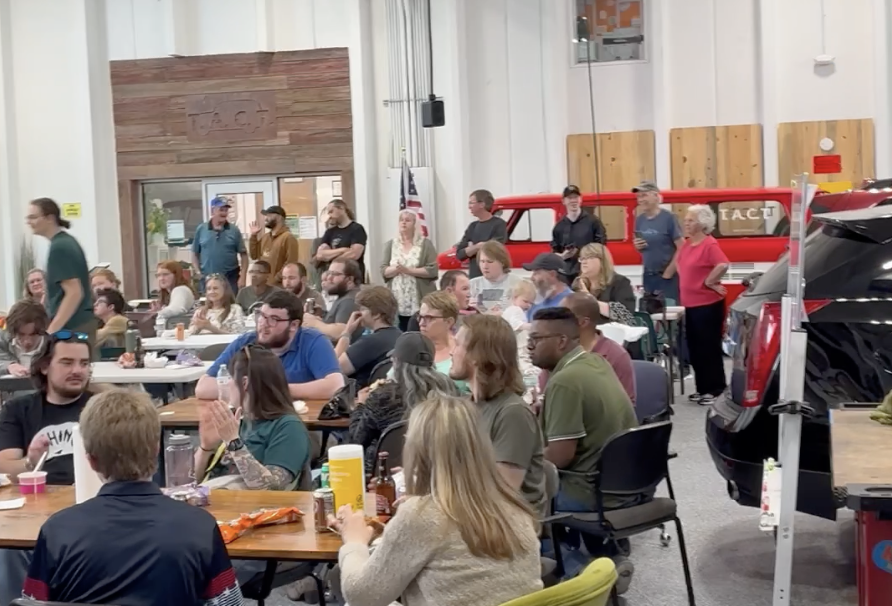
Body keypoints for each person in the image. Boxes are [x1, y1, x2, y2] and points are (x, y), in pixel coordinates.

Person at [22, 390, 243, 605]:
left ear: (91, 461)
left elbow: (32, 602)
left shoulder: (57, 531)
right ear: (157, 449)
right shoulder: (199, 527)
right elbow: (229, 603)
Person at [330, 394, 543, 606]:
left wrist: (354, 540)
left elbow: (361, 596)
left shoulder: (422, 517)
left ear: (417, 451)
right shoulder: (514, 506)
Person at [528, 307, 637, 592]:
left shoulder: (564, 381)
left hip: (588, 492)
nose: (529, 346)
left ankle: (585, 571)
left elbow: (561, 457)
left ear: (562, 341)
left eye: (536, 339)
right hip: (627, 485)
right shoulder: (596, 362)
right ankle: (608, 558)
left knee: (516, 499)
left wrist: (521, 459)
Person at [449, 314, 546, 515]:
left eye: (458, 345)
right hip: (473, 516)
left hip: (506, 528)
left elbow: (501, 494)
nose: (452, 351)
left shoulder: (513, 414)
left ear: (477, 356)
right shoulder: (468, 406)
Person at [195, 346, 312, 491]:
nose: (227, 384)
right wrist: (205, 448)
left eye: (230, 378)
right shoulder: (238, 422)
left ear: (245, 383)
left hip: (252, 509)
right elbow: (189, 484)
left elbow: (270, 487)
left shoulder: (288, 427)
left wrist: (233, 442)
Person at [195, 290, 343, 402]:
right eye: (262, 316)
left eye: (274, 319)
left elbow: (335, 385)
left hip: (301, 423)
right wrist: (257, 390)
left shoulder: (314, 341)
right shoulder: (246, 341)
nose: (263, 324)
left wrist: (276, 390)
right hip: (249, 421)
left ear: (293, 325)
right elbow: (203, 387)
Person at [348, 332, 459, 472]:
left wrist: (360, 405)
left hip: (383, 478)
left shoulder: (383, 397)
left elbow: (357, 440)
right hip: (437, 473)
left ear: (397, 363)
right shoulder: (449, 389)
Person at [0, 332, 93, 486]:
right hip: (39, 500)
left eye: (84, 363)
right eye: (67, 363)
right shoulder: (17, 410)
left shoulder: (105, 409)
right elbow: (5, 470)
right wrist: (31, 462)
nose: (77, 370)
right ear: (44, 367)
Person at [678, 204, 729, 405]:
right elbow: (681, 267)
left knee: (709, 347)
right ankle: (702, 388)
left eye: (690, 220)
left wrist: (708, 282)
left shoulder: (709, 244)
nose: (686, 223)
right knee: (695, 348)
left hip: (707, 304)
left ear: (702, 223)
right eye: (686, 219)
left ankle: (716, 389)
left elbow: (723, 264)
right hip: (690, 304)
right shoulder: (687, 244)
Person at [27, 198, 94, 339]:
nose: (29, 222)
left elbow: (74, 293)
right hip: (79, 323)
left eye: (33, 217)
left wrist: (51, 331)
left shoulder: (60, 247)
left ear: (50, 218)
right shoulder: (67, 242)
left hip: (73, 327)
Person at [562, 293, 636, 406]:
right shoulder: (558, 349)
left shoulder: (615, 356)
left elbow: (626, 408)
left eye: (562, 318)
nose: (556, 323)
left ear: (583, 322)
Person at [380, 209, 439, 331]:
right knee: (398, 330)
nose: (403, 223)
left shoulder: (425, 244)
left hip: (418, 298)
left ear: (415, 224)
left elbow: (432, 270)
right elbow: (383, 270)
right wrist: (396, 269)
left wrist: (408, 271)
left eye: (407, 220)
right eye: (401, 220)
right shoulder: (391, 244)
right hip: (397, 298)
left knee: (418, 330)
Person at [335, 286, 402, 388]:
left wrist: (347, 332)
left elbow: (334, 369)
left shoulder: (370, 342)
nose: (358, 313)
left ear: (377, 314)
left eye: (363, 309)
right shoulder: (401, 335)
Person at [633, 181, 683, 303]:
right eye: (638, 197)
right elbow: (642, 247)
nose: (640, 200)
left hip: (667, 276)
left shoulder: (669, 218)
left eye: (644, 195)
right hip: (648, 275)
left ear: (655, 196)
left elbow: (682, 247)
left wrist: (668, 273)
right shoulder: (639, 220)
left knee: (670, 312)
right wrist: (637, 246)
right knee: (651, 311)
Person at [192, 196, 249, 294]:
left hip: (230, 277)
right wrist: (198, 272)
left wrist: (243, 276)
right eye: (221, 210)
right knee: (210, 305)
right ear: (212, 211)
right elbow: (195, 253)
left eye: (226, 210)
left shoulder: (234, 230)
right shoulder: (201, 229)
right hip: (207, 277)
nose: (224, 213)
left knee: (231, 305)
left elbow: (244, 255)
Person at [551, 185, 606, 280]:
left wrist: (587, 256)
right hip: (567, 275)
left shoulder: (593, 222)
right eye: (569, 198)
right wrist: (563, 256)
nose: (573, 201)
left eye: (576, 197)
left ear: (580, 199)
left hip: (589, 274)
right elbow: (555, 252)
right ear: (563, 201)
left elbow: (601, 247)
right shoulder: (559, 227)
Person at [572, 243, 636, 324]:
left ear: (602, 261)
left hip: (613, 332)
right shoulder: (578, 283)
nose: (584, 262)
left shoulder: (620, 282)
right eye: (582, 258)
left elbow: (625, 314)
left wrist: (590, 300)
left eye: (589, 257)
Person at [416, 291, 468, 390]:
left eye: (429, 318)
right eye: (420, 317)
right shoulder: (412, 348)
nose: (421, 323)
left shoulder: (462, 351)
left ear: (449, 322)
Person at [303, 258, 363, 342]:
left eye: (335, 274)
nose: (329, 278)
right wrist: (323, 314)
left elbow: (341, 332)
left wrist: (315, 323)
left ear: (350, 279)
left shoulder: (349, 300)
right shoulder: (345, 295)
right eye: (329, 273)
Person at [455, 189, 508, 279]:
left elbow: (495, 248)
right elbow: (460, 254)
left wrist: (471, 249)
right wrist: (477, 246)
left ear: (482, 204)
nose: (469, 207)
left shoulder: (499, 224)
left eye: (471, 203)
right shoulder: (472, 226)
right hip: (474, 277)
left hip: (493, 277)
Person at [405, 270, 476, 332]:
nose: (469, 294)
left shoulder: (476, 316)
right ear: (449, 291)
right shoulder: (421, 317)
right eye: (465, 289)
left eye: (469, 289)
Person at [315, 199, 369, 280]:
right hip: (332, 279)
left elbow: (354, 254)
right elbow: (320, 255)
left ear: (341, 208)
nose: (330, 215)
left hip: (351, 278)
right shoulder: (330, 232)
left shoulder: (357, 229)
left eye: (331, 211)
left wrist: (332, 260)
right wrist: (343, 250)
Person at [248, 205, 300, 284]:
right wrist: (253, 236)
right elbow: (254, 255)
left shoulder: (288, 238)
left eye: (269, 215)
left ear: (279, 217)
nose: (266, 218)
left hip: (279, 287)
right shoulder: (265, 237)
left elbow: (290, 264)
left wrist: (275, 280)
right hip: (264, 286)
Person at [468, 240, 520, 314]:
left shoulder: (518, 284)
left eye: (490, 262)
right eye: (482, 261)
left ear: (502, 262)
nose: (485, 266)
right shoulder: (471, 285)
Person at [0, 300, 48, 378]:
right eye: (21, 334)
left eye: (33, 335)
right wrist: (10, 366)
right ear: (12, 330)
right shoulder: (2, 341)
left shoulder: (54, 347)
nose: (27, 341)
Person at [500, 279, 538, 378]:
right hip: (516, 343)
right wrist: (531, 326)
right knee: (521, 358)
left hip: (515, 343)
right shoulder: (514, 310)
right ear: (514, 298)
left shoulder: (516, 311)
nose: (528, 305)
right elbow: (515, 323)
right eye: (525, 301)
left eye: (531, 303)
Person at [523, 253, 573, 320]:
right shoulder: (534, 301)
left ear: (552, 274)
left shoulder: (571, 302)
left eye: (537, 273)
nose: (531, 278)